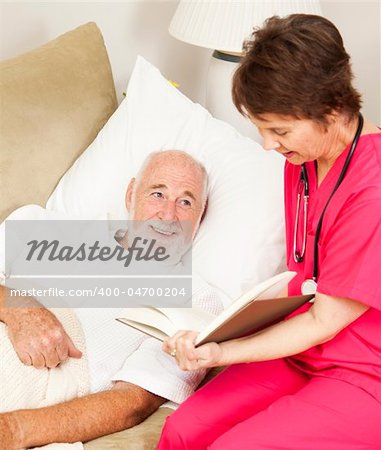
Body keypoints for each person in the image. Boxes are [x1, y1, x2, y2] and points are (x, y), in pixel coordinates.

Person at [158, 14, 381, 450]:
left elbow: (324, 320)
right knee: (180, 431)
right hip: (301, 350)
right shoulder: (303, 159)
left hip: (364, 371)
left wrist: (221, 353)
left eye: (278, 130)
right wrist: (214, 333)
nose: (268, 146)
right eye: (261, 129)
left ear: (333, 109)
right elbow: (306, 280)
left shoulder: (373, 191)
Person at [0, 150, 223, 449]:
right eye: (158, 194)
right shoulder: (42, 224)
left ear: (201, 215)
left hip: (38, 380)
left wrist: (11, 430)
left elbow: (133, 401)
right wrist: (17, 308)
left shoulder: (197, 299)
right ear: (131, 194)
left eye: (185, 202)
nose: (169, 215)